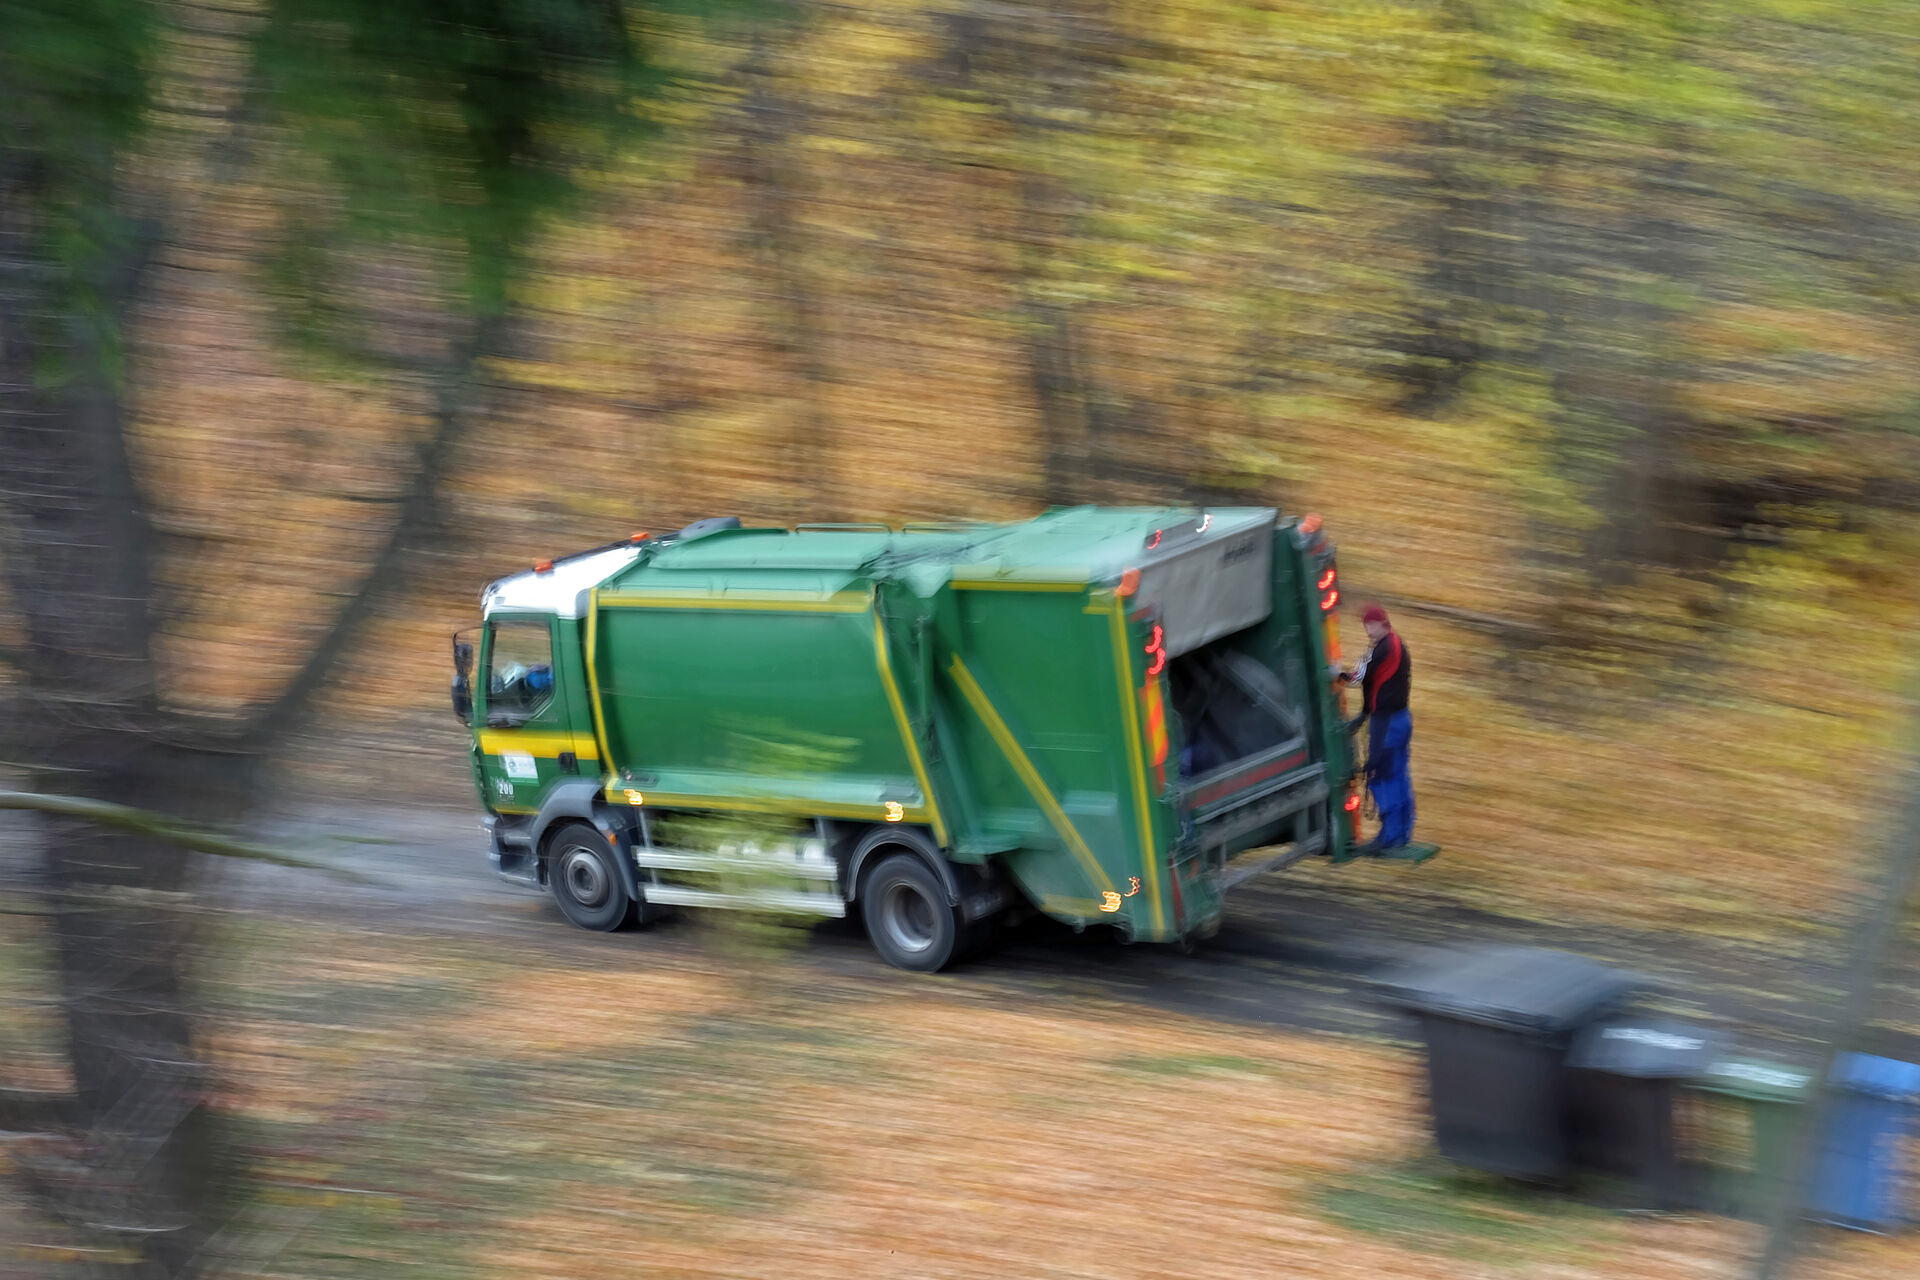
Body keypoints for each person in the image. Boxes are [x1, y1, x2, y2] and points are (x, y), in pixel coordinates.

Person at [1341, 603, 1415, 852]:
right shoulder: (1396, 644)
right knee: (1399, 775)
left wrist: (1339, 676)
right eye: (1366, 625)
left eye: (1370, 625)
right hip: (1401, 718)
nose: (1368, 630)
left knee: (1381, 775)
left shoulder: (1384, 648)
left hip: (1387, 723)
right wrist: (1365, 713)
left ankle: (1389, 837)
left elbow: (1361, 677)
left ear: (1381, 623)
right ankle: (1403, 833)